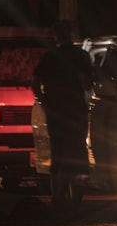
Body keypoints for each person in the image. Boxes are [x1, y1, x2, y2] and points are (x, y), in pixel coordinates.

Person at [32, 21, 93, 205]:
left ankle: (57, 196)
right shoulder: (82, 56)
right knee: (77, 150)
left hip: (55, 111)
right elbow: (87, 84)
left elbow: (34, 83)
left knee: (58, 151)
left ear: (56, 36)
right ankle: (75, 197)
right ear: (72, 34)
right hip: (75, 111)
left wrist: (44, 100)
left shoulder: (50, 57)